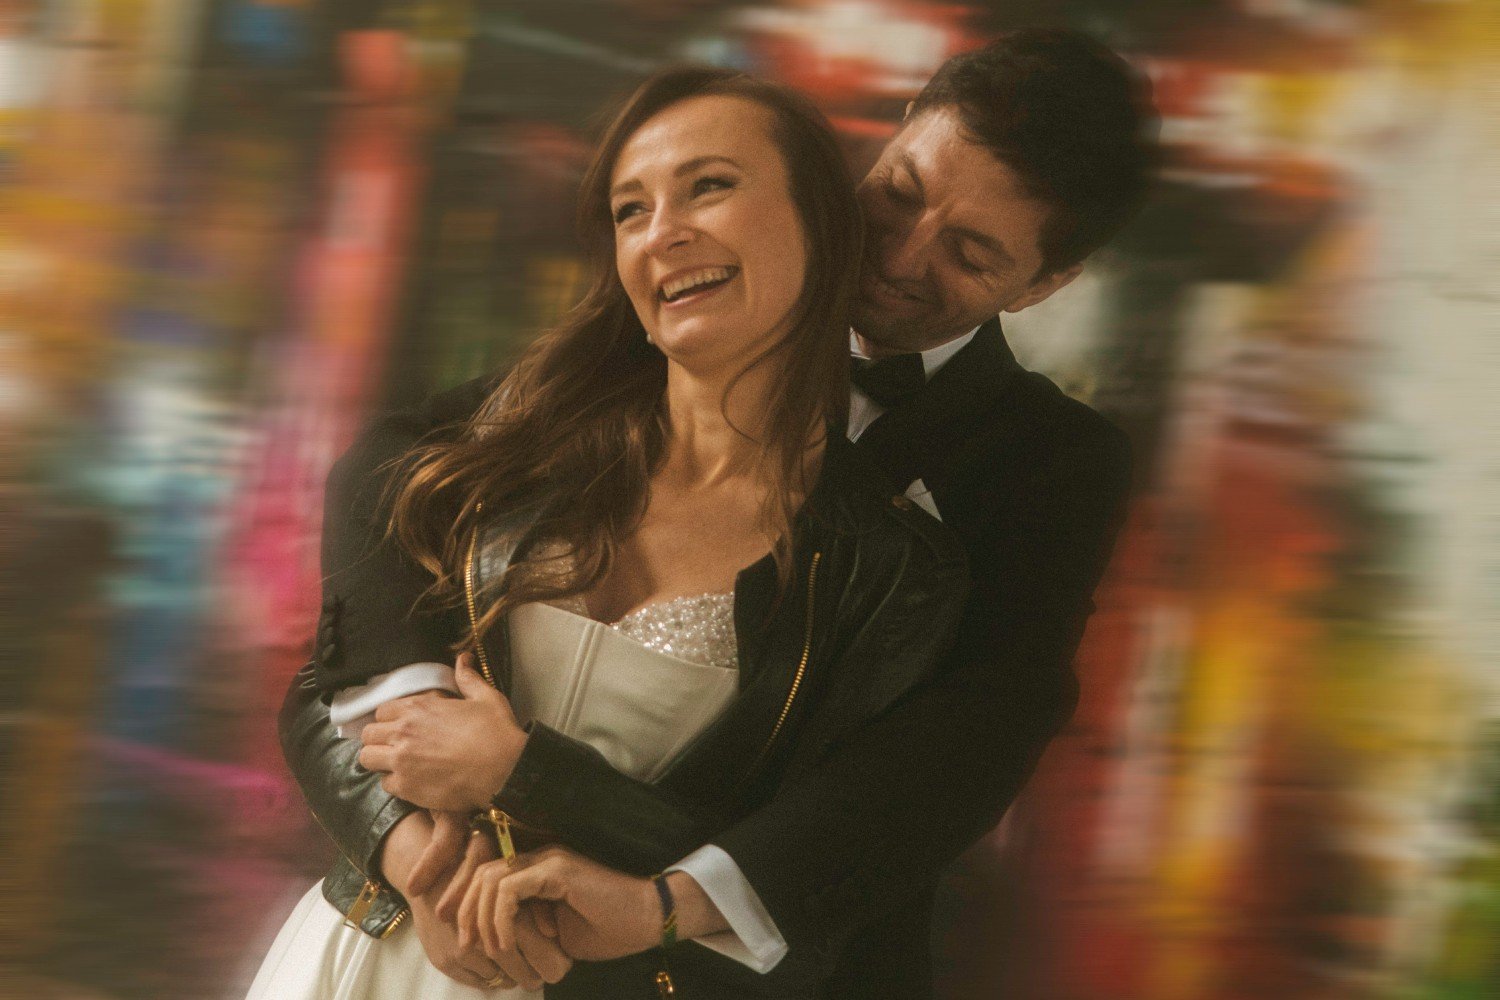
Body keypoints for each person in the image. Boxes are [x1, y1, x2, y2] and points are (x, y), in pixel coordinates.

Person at [276, 26, 1159, 999]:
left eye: (971, 252)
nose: (898, 254)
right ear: (895, 131)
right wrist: (415, 753)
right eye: (900, 192)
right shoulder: (662, 325)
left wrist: (576, 822)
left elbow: (952, 761)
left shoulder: (1046, 470)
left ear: (1046, 282)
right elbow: (394, 464)